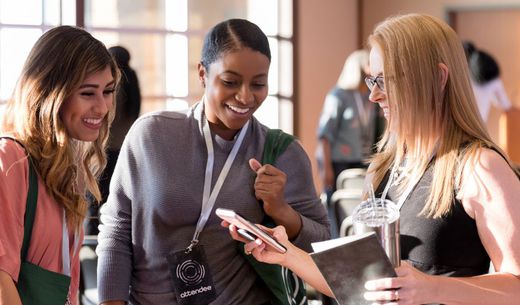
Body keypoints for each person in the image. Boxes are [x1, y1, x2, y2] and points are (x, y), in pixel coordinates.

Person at [226, 13, 520, 305]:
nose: (374, 96)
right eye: (372, 80)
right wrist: (286, 253)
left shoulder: (479, 167)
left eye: (386, 80)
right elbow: (360, 282)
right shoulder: (384, 168)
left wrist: (431, 288)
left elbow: (516, 286)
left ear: (438, 78)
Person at [96, 18, 330, 305]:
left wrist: (282, 211)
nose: (245, 96)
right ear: (203, 73)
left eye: (258, 84)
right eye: (230, 82)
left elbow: (323, 249)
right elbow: (117, 228)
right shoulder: (152, 135)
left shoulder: (282, 152)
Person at [0, 26, 118, 305]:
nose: (102, 107)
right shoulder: (12, 161)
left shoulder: (66, 168)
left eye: (108, 91)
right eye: (88, 93)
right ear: (50, 92)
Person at [315, 49, 384, 236]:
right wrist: (325, 169)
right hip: (340, 164)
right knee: (340, 208)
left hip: (365, 161)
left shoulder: (370, 97)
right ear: (359, 68)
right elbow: (323, 136)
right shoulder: (338, 96)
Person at [85, 46, 141, 236]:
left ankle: (93, 233)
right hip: (123, 145)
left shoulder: (117, 82)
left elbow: (108, 117)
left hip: (107, 144)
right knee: (113, 192)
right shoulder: (133, 79)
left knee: (97, 191)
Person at [463, 41, 513, 122]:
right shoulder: (494, 80)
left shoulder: (464, 76)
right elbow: (505, 104)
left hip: (462, 123)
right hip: (480, 125)